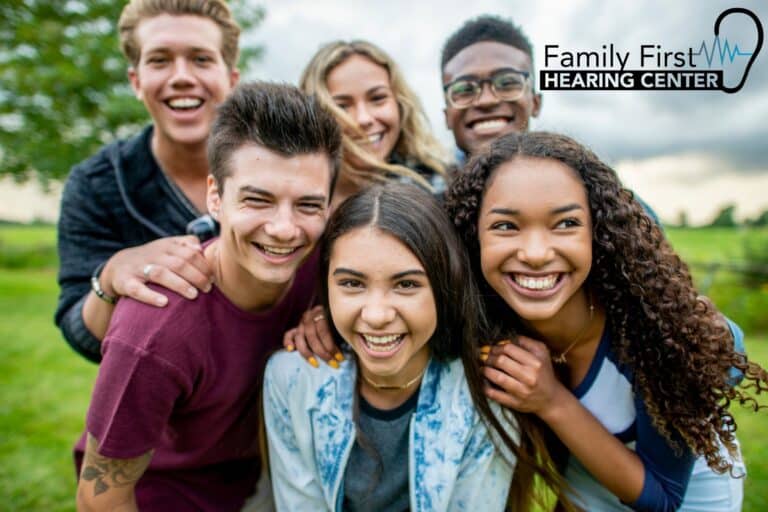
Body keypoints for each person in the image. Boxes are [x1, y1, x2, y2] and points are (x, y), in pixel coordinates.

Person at [445, 131, 766, 511]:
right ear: (473, 236)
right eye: (505, 226)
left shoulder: (654, 334)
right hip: (586, 485)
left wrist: (551, 400)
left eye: (565, 224)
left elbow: (662, 499)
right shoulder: (489, 317)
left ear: (597, 233)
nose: (534, 253)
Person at [74, 81, 341, 511]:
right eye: (259, 200)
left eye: (308, 205)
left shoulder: (323, 272)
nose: (284, 229)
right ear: (215, 197)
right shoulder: (155, 330)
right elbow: (98, 497)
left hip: (260, 484)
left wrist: (337, 316)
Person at [264, 182, 575, 511]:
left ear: (444, 287)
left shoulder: (483, 394)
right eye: (352, 284)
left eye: (407, 284)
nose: (377, 315)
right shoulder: (293, 379)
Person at [56, 0, 241, 363]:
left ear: (231, 79)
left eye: (201, 59)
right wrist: (111, 276)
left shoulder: (282, 168)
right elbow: (83, 337)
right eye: (160, 60)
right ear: (136, 81)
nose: (182, 76)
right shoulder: (95, 185)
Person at [300, 40, 448, 209]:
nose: (364, 119)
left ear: (400, 103)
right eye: (341, 106)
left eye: (378, 98)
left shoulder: (434, 189)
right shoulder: (293, 192)